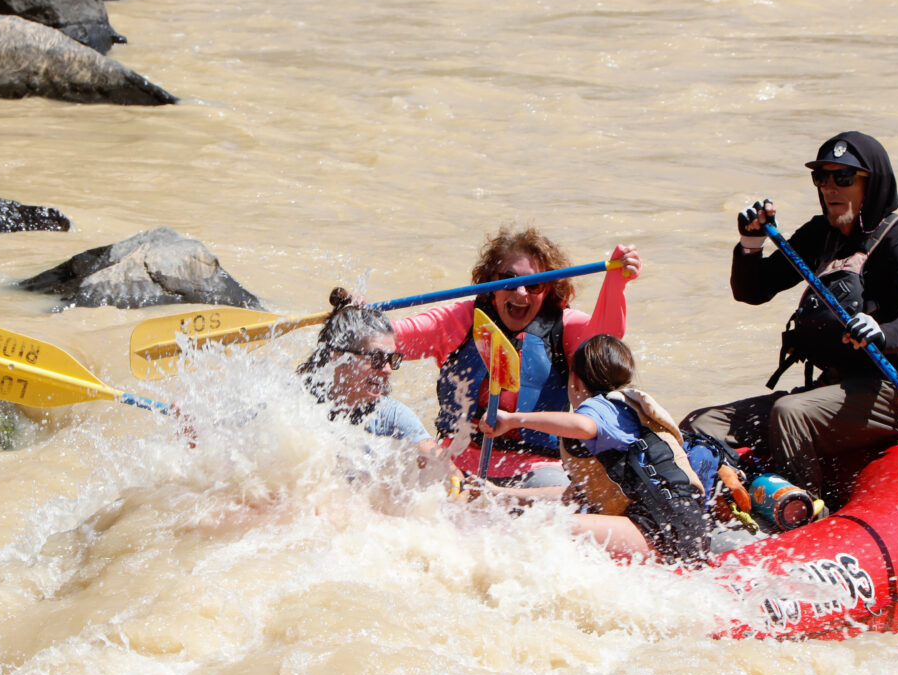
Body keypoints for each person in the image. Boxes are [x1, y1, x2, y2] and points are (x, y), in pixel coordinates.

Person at [683, 131, 898, 511]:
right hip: (831, 388)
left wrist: (882, 332)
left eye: (843, 178)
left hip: (888, 392)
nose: (830, 188)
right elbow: (754, 290)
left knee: (791, 413)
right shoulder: (820, 233)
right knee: (702, 423)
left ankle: (803, 519)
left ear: (872, 185)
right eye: (822, 178)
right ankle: (709, 510)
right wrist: (749, 244)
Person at [392, 227, 643, 487]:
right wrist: (357, 316)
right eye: (509, 280)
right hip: (454, 463)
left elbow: (605, 340)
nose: (521, 293)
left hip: (538, 467)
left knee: (556, 500)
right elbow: (391, 339)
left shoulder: (565, 327)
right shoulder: (462, 319)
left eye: (534, 285)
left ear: (548, 289)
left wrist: (616, 281)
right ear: (492, 282)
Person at [479, 334, 717, 564]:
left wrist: (512, 420)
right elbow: (571, 496)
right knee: (550, 521)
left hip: (663, 526)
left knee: (550, 529)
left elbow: (583, 425)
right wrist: (500, 494)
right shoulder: (626, 416)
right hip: (685, 527)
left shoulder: (605, 406)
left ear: (575, 380)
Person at [299, 290, 456, 474]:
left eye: (392, 359)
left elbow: (448, 472)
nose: (388, 369)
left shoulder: (394, 417)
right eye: (376, 358)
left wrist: (456, 484)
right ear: (338, 356)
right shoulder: (293, 406)